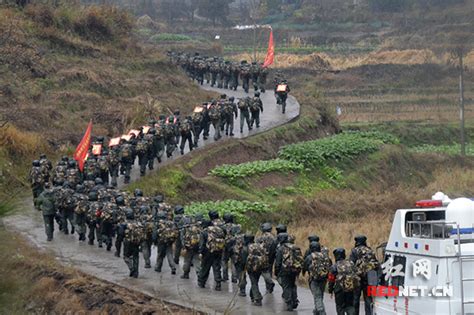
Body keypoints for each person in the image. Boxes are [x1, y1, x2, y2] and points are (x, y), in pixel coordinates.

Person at [350, 235, 379, 315]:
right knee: (368, 300)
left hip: (358, 279)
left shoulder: (354, 251)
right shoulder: (370, 250)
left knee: (355, 299)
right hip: (369, 279)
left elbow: (351, 264)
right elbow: (376, 264)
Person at [275, 232, 303, 311]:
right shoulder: (295, 247)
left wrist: (276, 272)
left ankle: (289, 303)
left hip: (285, 270)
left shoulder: (281, 248)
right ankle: (295, 300)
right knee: (293, 285)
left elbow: (278, 262)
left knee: (286, 286)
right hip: (295, 270)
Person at [328, 248, 359, 315]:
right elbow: (357, 274)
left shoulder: (334, 266)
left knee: (340, 307)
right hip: (350, 288)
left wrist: (330, 290)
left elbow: (331, 280)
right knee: (350, 306)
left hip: (339, 290)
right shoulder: (351, 263)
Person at [304, 242, 332, 315]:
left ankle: (321, 311)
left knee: (317, 296)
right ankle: (317, 310)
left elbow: (305, 266)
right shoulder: (326, 256)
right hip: (324, 278)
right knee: (320, 294)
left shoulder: (310, 257)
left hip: (314, 279)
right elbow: (330, 266)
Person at [198, 219, 225, 291]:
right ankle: (218, 283)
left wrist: (200, 252)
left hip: (208, 252)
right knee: (217, 267)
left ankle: (202, 282)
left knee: (205, 267)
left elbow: (202, 244)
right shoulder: (219, 230)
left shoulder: (204, 232)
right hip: (218, 251)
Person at [118, 208, 145, 278]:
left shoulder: (124, 224)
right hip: (137, 242)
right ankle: (136, 273)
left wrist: (120, 241)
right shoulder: (138, 223)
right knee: (136, 257)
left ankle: (131, 268)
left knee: (126, 257)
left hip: (127, 242)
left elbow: (120, 233)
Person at [246, 234, 269, 306]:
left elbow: (244, 259)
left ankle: (258, 299)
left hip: (251, 268)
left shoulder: (248, 247)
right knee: (255, 281)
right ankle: (252, 295)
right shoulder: (260, 246)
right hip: (260, 267)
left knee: (254, 282)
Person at [255, 222, 276, 291]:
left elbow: (256, 247)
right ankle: (269, 286)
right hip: (271, 256)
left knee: (263, 270)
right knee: (269, 270)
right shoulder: (273, 237)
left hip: (262, 256)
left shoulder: (259, 238)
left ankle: (268, 283)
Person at [222, 213, 240, 282]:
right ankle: (234, 278)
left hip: (225, 246)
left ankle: (225, 277)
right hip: (234, 246)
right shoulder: (237, 227)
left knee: (224, 261)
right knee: (234, 262)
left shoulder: (222, 226)